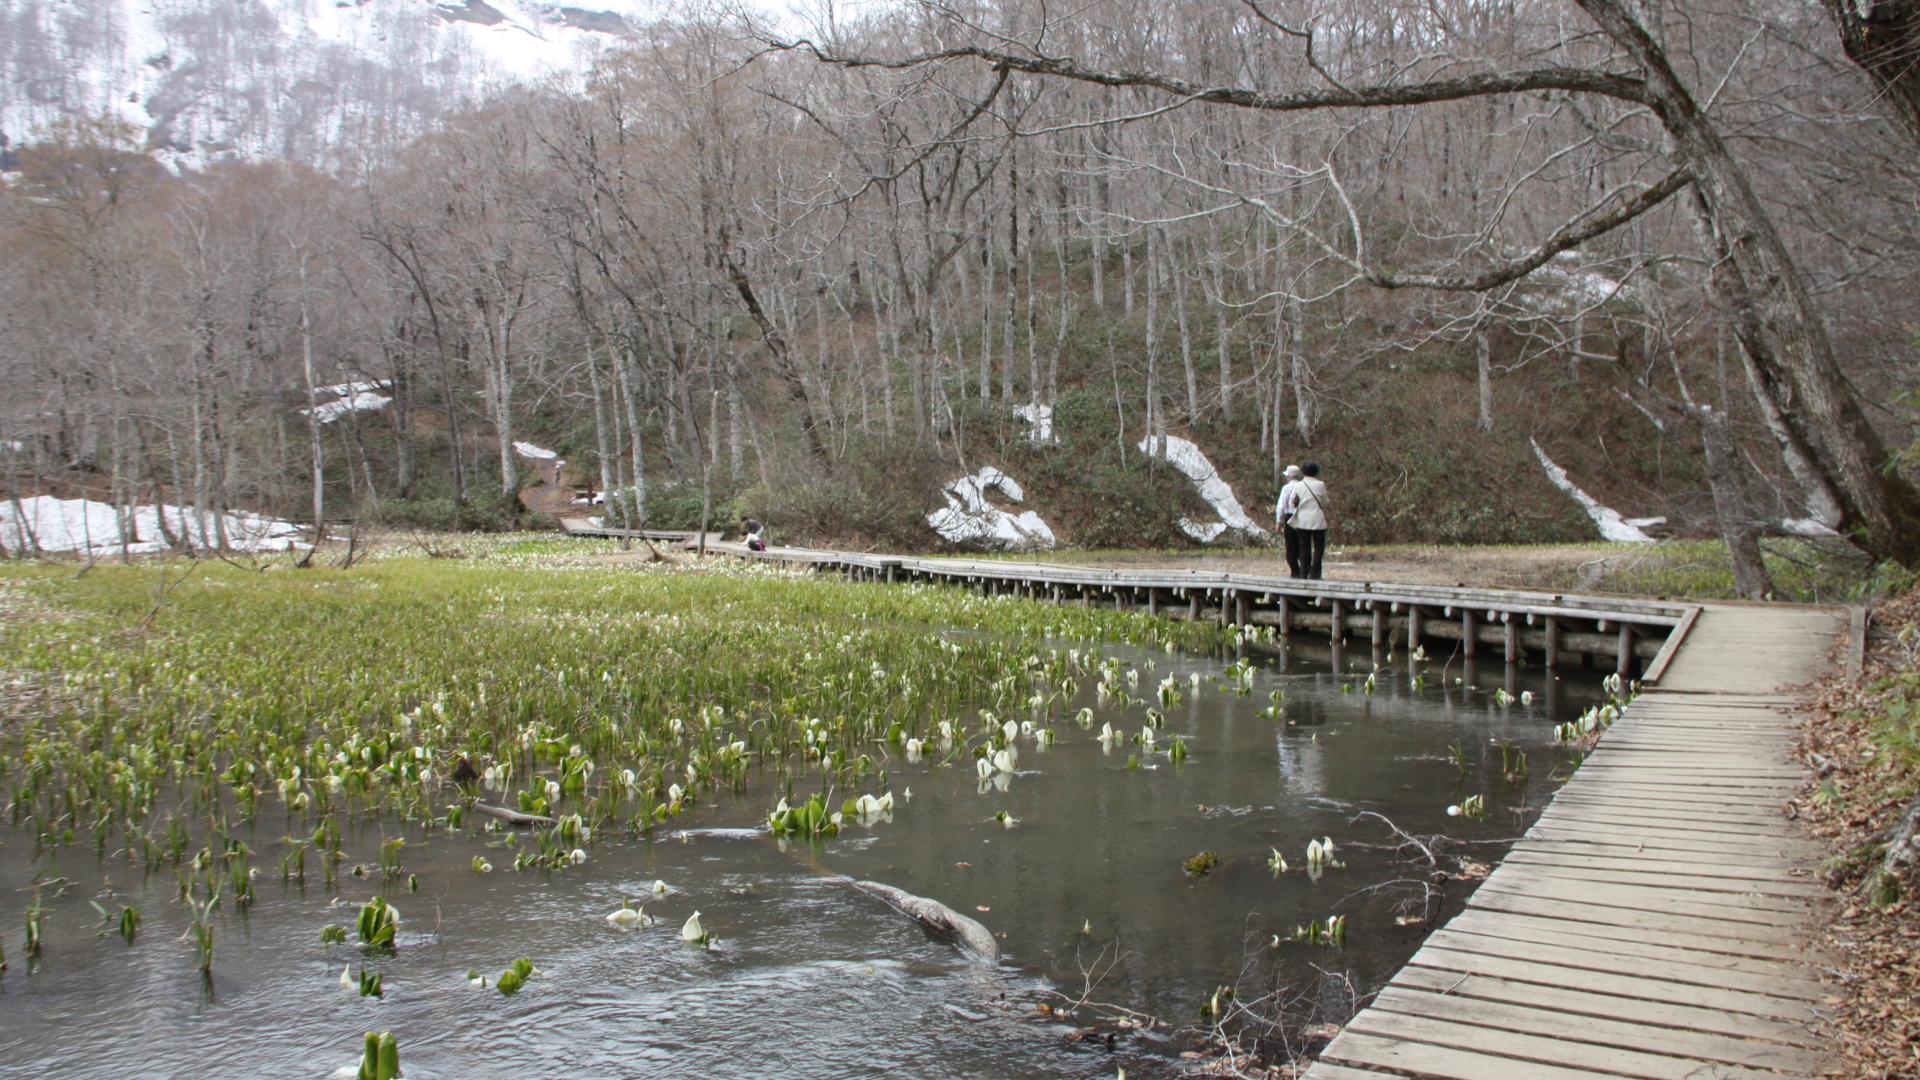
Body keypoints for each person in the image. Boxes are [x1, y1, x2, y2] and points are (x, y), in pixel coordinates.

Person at [1291, 461, 1330, 579]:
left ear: (1303, 471)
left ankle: (1304, 572)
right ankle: (1315, 573)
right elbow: (1325, 502)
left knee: (1304, 547)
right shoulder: (1320, 484)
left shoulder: (1298, 485)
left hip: (1303, 519)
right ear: (1316, 472)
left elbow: (1292, 503)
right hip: (1317, 518)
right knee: (1319, 547)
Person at [1275, 465, 1305, 578]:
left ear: (1289, 476)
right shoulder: (1304, 486)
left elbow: (1281, 506)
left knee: (1291, 546)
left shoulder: (1286, 488)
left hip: (1290, 517)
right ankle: (1305, 569)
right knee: (1303, 544)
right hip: (1304, 517)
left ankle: (1295, 571)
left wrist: (1278, 521)